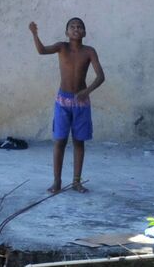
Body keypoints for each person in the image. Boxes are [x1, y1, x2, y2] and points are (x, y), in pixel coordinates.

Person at [29, 17, 105, 194]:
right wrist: (34, 33)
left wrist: (87, 91)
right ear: (67, 33)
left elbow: (100, 76)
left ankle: (76, 182)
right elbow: (41, 51)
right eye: (72, 27)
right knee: (60, 141)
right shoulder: (61, 47)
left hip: (81, 102)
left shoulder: (89, 52)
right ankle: (57, 181)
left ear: (84, 33)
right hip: (63, 101)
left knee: (79, 142)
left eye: (80, 27)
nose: (76, 29)